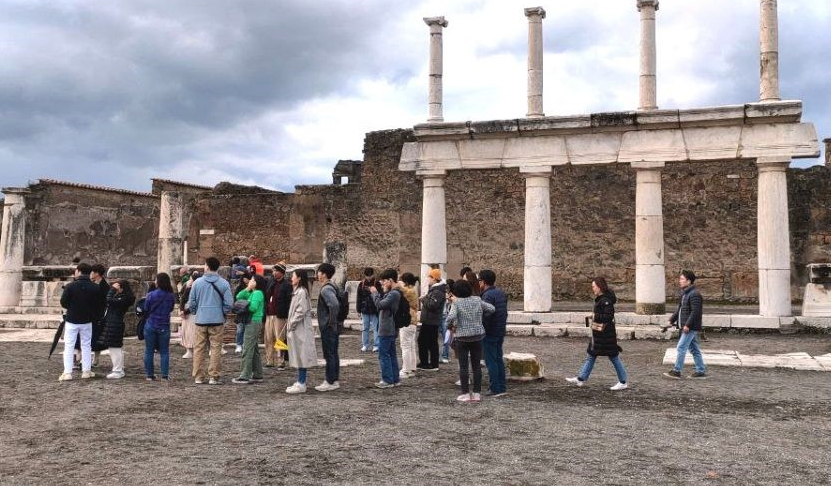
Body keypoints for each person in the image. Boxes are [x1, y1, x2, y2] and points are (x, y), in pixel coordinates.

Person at [566, 277, 628, 391]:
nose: (592, 289)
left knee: (614, 357)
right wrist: (593, 315)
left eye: (593, 286)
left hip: (605, 335)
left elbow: (608, 317)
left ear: (599, 287)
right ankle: (581, 379)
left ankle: (623, 381)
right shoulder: (602, 299)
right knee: (591, 355)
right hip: (599, 334)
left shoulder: (606, 300)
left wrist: (595, 316)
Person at [446, 279, 495, 403]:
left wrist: (451, 324)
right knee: (476, 365)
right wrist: (480, 319)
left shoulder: (457, 303)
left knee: (463, 366)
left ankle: (465, 393)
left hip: (462, 337)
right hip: (478, 336)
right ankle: (477, 393)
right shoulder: (477, 300)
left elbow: (450, 317)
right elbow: (491, 309)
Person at [188, 256, 234, 385]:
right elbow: (229, 303)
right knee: (215, 348)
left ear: (207, 266)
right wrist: (222, 312)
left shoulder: (197, 283)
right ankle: (213, 376)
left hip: (201, 319)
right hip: (217, 320)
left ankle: (198, 376)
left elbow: (191, 302)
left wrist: (196, 311)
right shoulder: (224, 283)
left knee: (198, 349)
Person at [58, 263, 101, 381]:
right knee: (86, 345)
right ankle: (86, 370)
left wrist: (72, 307)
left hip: (72, 319)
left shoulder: (71, 286)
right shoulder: (95, 287)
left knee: (69, 345)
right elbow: (97, 305)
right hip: (87, 320)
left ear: (79, 271)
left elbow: (64, 302)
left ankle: (67, 372)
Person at [663, 270, 707, 379]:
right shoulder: (685, 294)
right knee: (694, 349)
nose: (680, 281)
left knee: (681, 347)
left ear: (689, 281)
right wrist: (671, 321)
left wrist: (687, 325)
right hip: (686, 326)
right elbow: (680, 310)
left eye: (682, 279)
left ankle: (676, 371)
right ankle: (700, 371)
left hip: (690, 327)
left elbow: (695, 312)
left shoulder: (694, 294)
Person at [285, 269, 318, 394]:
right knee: (299, 355)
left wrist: (292, 323)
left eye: (293, 276)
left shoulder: (301, 292)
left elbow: (300, 311)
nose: (291, 278)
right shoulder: (298, 292)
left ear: (299, 278)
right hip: (298, 328)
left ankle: (302, 382)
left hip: (300, 328)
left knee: (302, 355)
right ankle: (300, 381)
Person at [97, 280, 135, 379]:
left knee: (115, 348)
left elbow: (108, 300)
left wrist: (112, 290)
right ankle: (119, 369)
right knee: (115, 348)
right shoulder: (121, 297)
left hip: (115, 323)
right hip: (113, 323)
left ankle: (117, 370)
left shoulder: (124, 298)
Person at [479, 269, 508, 397]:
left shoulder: (487, 296)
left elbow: (487, 315)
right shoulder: (500, 293)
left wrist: (482, 329)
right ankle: (501, 386)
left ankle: (495, 388)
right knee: (498, 359)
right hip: (500, 330)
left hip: (490, 332)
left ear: (483, 282)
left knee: (491, 360)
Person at [370, 269, 402, 388]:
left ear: (390, 280)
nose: (382, 283)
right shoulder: (394, 292)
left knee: (383, 354)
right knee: (391, 354)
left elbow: (380, 305)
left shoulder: (394, 293)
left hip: (387, 328)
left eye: (383, 281)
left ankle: (388, 380)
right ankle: (395, 378)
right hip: (389, 327)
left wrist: (375, 293)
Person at [232, 275, 266, 384]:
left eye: (252, 280)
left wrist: (244, 304)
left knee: (247, 348)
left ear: (257, 282)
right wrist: (248, 289)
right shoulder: (253, 292)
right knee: (254, 348)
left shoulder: (257, 293)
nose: (250, 281)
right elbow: (238, 296)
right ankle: (257, 374)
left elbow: (253, 307)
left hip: (253, 321)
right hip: (253, 321)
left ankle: (244, 375)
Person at [142, 273, 176, 381]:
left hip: (151, 324)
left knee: (149, 351)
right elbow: (170, 309)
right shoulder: (171, 296)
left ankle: (149, 375)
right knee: (164, 351)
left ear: (158, 281)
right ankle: (165, 376)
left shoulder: (151, 295)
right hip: (164, 325)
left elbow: (146, 308)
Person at [315, 263, 341, 392]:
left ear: (323, 274)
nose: (317, 274)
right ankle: (334, 379)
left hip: (329, 327)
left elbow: (334, 305)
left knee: (329, 354)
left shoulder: (326, 289)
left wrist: (330, 322)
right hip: (332, 326)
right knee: (333, 353)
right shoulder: (333, 286)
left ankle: (330, 380)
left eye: (319, 272)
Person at [264, 262, 292, 368]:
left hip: (280, 315)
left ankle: (280, 360)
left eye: (276, 271)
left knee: (279, 338)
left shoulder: (287, 285)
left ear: (282, 272)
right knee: (268, 338)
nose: (274, 273)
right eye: (273, 271)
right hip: (269, 314)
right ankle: (269, 360)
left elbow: (289, 301)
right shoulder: (271, 283)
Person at [417, 268, 446, 371]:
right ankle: (426, 363)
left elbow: (432, 305)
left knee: (428, 342)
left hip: (431, 321)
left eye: (429, 277)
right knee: (427, 342)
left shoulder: (437, 291)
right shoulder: (435, 289)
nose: (428, 279)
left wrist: (423, 299)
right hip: (429, 320)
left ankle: (431, 364)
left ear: (434, 278)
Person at [397, 272, 419, 379]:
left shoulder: (409, 291)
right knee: (411, 346)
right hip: (413, 320)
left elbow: (402, 290)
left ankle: (406, 370)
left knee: (405, 346)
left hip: (408, 320)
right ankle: (412, 368)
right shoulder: (413, 290)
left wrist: (397, 283)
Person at [357, 267, 382, 352]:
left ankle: (376, 345)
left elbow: (380, 295)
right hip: (364, 309)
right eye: (367, 276)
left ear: (373, 275)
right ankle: (365, 345)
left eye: (370, 275)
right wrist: (358, 309)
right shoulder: (361, 284)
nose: (368, 277)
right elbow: (358, 297)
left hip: (375, 309)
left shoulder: (377, 284)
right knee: (365, 328)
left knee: (376, 328)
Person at [178, 273, 198, 359]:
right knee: (187, 331)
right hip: (188, 313)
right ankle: (189, 350)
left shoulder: (197, 290)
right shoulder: (189, 288)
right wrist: (182, 311)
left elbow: (195, 304)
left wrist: (184, 312)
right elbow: (183, 299)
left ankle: (193, 350)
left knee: (193, 332)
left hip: (193, 313)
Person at [233, 272, 252, 353]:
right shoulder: (240, 287)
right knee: (240, 330)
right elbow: (236, 298)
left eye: (247, 278)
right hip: (241, 312)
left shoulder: (253, 288)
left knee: (248, 330)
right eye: (244, 278)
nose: (245, 280)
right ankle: (239, 344)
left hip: (249, 312)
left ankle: (246, 344)